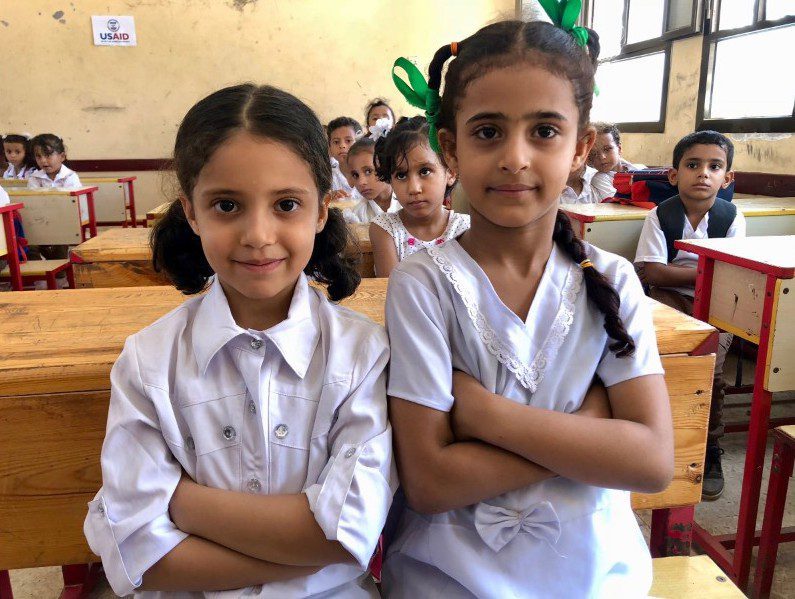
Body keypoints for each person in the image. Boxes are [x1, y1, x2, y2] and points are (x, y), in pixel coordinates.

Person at [382, 15, 673, 598]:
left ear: (581, 147)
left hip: (597, 578)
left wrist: (488, 418)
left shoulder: (612, 279)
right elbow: (430, 482)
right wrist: (590, 432)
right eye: (488, 131)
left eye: (544, 131)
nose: (515, 157)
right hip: (450, 580)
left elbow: (651, 461)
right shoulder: (423, 284)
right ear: (451, 147)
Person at [84, 84, 396, 597]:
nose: (258, 235)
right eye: (227, 205)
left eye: (286, 204)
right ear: (191, 212)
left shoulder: (362, 354)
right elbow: (141, 555)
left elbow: (343, 538)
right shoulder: (148, 361)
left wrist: (180, 501)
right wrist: (300, 550)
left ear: (322, 210)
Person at [635, 130, 743, 500]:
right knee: (662, 363)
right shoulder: (660, 215)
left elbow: (731, 276)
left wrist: (691, 274)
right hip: (667, 300)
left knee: (710, 369)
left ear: (727, 178)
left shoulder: (732, 217)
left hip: (716, 305)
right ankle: (661, 439)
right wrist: (707, 270)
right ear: (673, 174)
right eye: (693, 165)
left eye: (714, 167)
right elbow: (653, 273)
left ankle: (709, 447)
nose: (703, 173)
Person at [369, 116, 468, 278]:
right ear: (390, 181)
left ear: (450, 172)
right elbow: (392, 289)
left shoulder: (464, 229)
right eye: (401, 175)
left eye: (425, 171)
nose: (414, 188)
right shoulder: (386, 229)